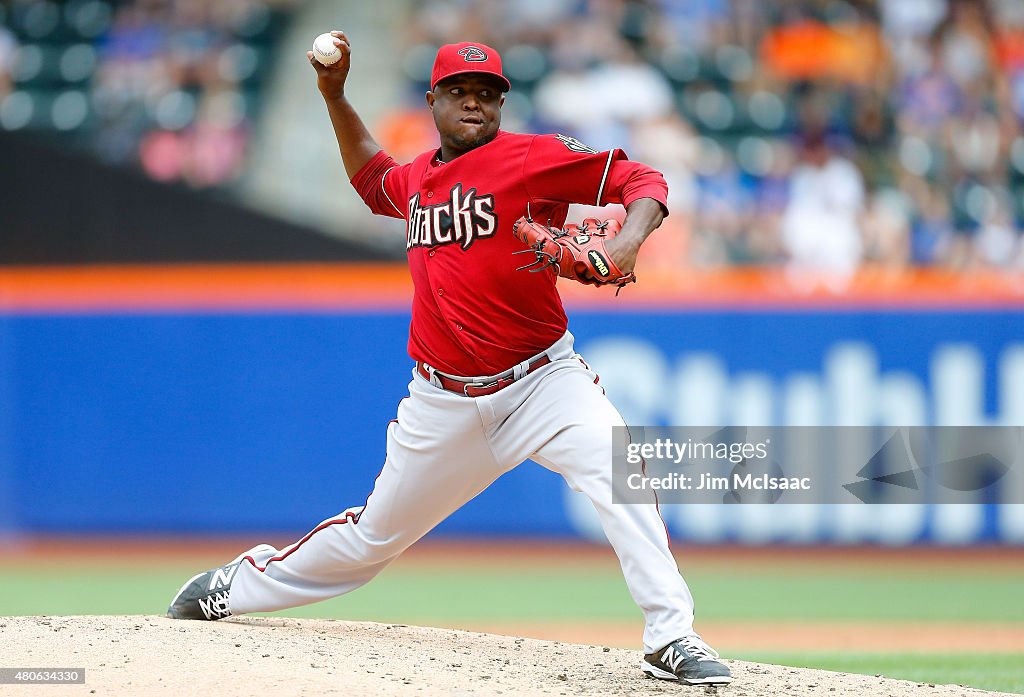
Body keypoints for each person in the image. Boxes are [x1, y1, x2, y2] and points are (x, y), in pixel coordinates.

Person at [165, 32, 732, 686]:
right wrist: (336, 96)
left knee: (618, 464)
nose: (474, 102)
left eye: (487, 93)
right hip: (441, 402)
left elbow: (642, 178)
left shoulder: (533, 158)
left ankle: (670, 634)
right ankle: (237, 585)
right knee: (370, 541)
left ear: (501, 103)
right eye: (460, 91)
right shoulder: (418, 180)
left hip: (542, 382)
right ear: (432, 100)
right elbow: (371, 178)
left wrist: (630, 241)